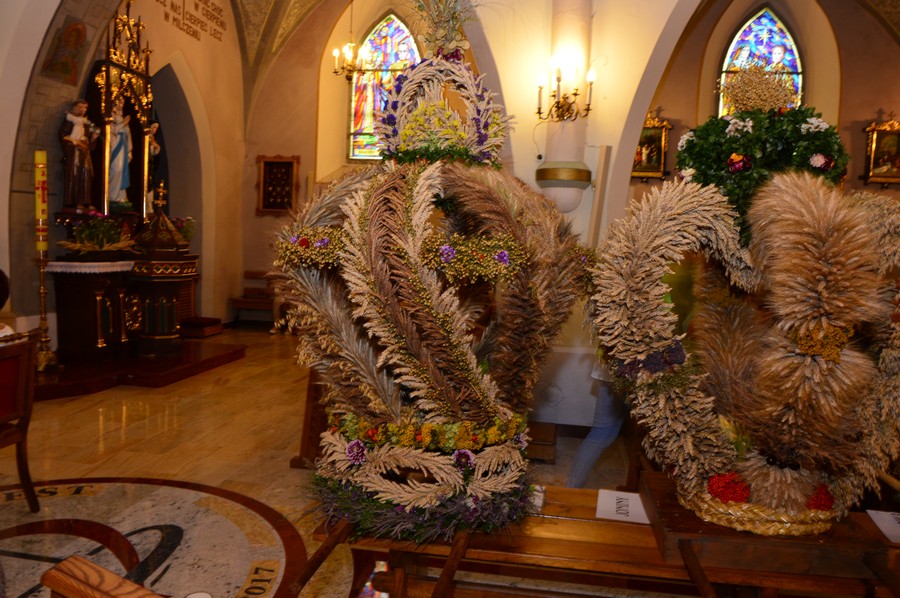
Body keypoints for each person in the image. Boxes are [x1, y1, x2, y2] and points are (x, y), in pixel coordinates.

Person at [566, 361, 627, 488]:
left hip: (620, 373)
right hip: (621, 372)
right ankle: (571, 488)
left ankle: (572, 486)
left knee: (609, 433)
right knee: (602, 433)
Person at [58, 98, 99, 209]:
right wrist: (74, 144)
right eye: (80, 107)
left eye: (85, 108)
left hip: (84, 154)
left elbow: (90, 144)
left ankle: (85, 201)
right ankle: (74, 202)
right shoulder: (69, 121)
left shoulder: (86, 123)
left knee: (86, 177)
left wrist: (93, 138)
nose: (82, 109)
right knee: (74, 177)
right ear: (74, 108)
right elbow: (62, 136)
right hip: (74, 154)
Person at [108, 99, 132, 206]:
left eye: (122, 103)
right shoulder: (111, 116)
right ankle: (112, 196)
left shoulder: (122, 117)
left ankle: (121, 197)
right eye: (119, 103)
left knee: (123, 170)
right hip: (114, 144)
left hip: (123, 146)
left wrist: (129, 151)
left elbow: (128, 135)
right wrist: (123, 123)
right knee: (116, 169)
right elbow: (112, 130)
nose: (121, 105)